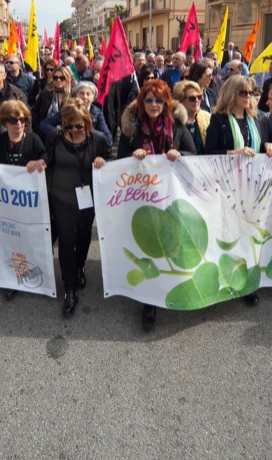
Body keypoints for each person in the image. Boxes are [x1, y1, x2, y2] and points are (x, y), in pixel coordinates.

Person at [115, 79, 196, 332]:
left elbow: (195, 156)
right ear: (142, 102)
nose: (153, 104)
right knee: (149, 246)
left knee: (173, 243)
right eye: (149, 100)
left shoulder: (178, 127)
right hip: (143, 197)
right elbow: (118, 162)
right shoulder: (132, 129)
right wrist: (133, 155)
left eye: (159, 100)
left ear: (166, 102)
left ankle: (176, 285)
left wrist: (179, 155)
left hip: (172, 197)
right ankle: (149, 301)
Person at [43, 99, 109, 317]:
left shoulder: (97, 140)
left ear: (87, 123)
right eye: (68, 125)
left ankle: (80, 266)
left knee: (82, 237)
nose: (73, 129)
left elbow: (109, 164)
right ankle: (69, 287)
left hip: (87, 198)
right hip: (60, 197)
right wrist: (40, 162)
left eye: (78, 126)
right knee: (66, 240)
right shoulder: (54, 138)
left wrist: (102, 160)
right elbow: (47, 158)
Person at [0, 99, 46, 301]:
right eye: (12, 120)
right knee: (10, 240)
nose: (18, 123)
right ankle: (13, 278)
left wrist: (40, 161)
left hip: (29, 203)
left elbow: (45, 156)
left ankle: (35, 272)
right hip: (6, 204)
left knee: (30, 238)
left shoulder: (34, 139)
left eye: (22, 119)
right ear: (4, 122)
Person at [206, 75, 265, 159]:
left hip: (253, 170)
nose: (248, 96)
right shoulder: (219, 118)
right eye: (243, 93)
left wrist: (267, 146)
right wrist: (235, 153)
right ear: (231, 94)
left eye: (250, 93)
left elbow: (257, 146)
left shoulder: (254, 117)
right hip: (227, 169)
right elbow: (209, 151)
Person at [33, 65, 73, 137]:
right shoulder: (45, 93)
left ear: (67, 79)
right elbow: (35, 111)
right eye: (55, 78)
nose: (58, 80)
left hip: (67, 132)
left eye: (62, 78)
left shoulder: (73, 94)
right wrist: (37, 127)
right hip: (46, 132)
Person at [174, 80, 211, 154]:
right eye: (192, 98)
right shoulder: (172, 121)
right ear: (180, 100)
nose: (197, 100)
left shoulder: (208, 117)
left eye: (199, 97)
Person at [72, 80, 112, 145]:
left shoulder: (97, 112)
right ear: (75, 95)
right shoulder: (69, 109)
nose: (85, 97)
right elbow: (50, 123)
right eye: (81, 93)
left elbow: (108, 138)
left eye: (88, 94)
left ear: (93, 98)